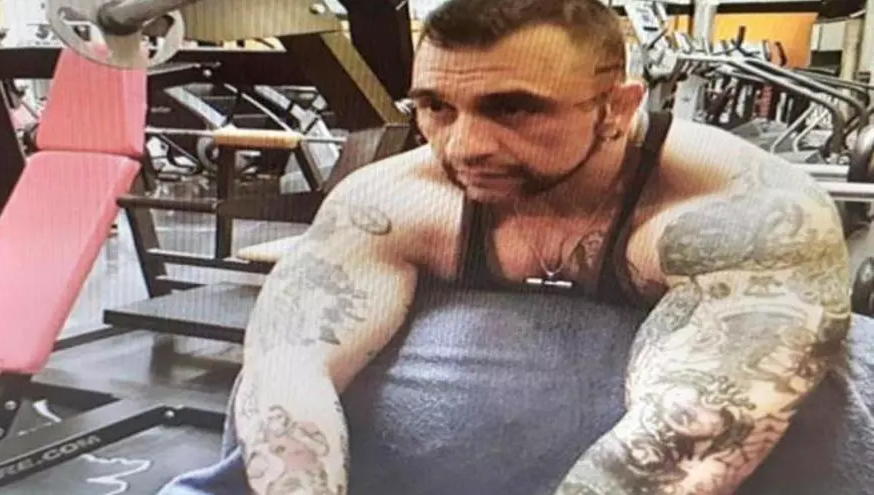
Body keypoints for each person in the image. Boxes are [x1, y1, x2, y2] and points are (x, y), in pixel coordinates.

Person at [168, 0, 853, 494]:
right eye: (435, 107)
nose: (464, 145)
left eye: (514, 108)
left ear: (617, 108)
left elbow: (680, 439)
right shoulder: (394, 198)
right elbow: (287, 374)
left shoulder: (738, 213)